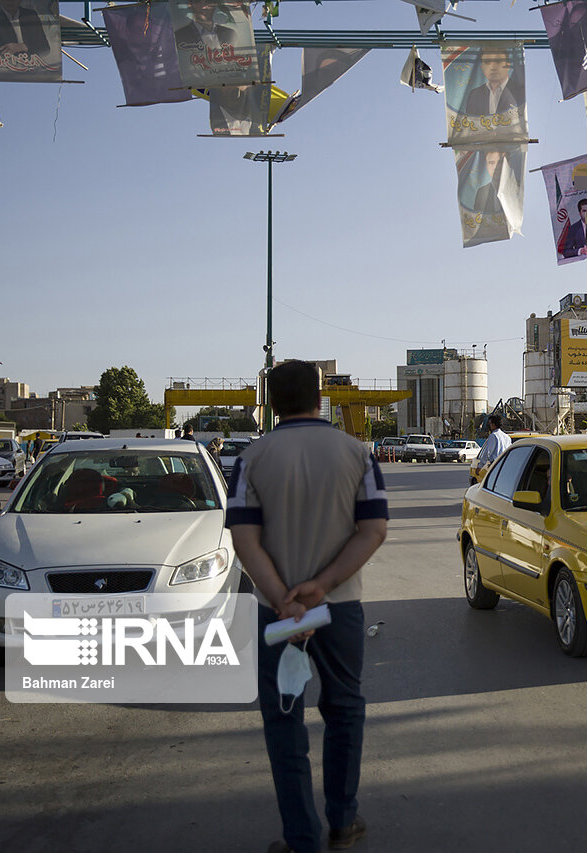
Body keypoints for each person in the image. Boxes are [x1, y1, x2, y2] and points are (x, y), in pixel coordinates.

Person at [226, 359, 388, 853]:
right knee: (344, 711)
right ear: (321, 398)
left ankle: (302, 840)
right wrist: (321, 586)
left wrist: (283, 599)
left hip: (276, 616)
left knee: (283, 721)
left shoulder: (251, 458)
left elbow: (244, 538)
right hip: (339, 609)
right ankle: (342, 820)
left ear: (272, 403)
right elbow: (374, 529)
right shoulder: (358, 453)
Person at [461, 47, 519, 116]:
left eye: (498, 61)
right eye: (487, 62)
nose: (493, 67)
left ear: (508, 65)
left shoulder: (519, 91)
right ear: (482, 67)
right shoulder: (474, 95)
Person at [471, 414, 510, 478]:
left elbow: (487, 452)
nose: (489, 425)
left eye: (490, 423)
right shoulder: (507, 437)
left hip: (495, 465)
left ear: (494, 424)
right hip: (505, 465)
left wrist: (480, 467)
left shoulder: (493, 436)